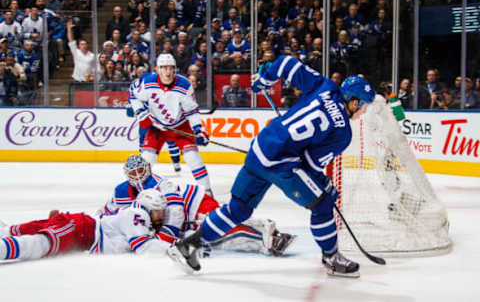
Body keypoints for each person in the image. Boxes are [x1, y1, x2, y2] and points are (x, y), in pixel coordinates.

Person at [167, 55, 375, 278]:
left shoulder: (325, 86)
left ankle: (188, 246)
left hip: (260, 147)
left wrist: (265, 79)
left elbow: (286, 63)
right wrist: (325, 185)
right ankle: (332, 258)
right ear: (354, 102)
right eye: (363, 107)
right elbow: (311, 164)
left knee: (238, 209)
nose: (363, 112)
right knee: (323, 204)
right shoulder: (343, 133)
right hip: (280, 163)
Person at [98, 154, 295, 256]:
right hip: (188, 219)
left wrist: (165, 237)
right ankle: (262, 232)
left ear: (148, 168)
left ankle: (265, 232)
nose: (137, 176)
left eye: (140, 170)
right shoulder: (121, 191)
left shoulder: (161, 184)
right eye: (132, 174)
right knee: (215, 237)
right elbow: (107, 211)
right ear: (127, 175)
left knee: (219, 226)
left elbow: (175, 212)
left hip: (195, 204)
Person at [0, 189, 171, 262]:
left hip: (79, 227)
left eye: (162, 212)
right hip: (81, 230)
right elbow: (143, 246)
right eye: (158, 211)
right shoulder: (138, 214)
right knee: (41, 244)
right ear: (147, 207)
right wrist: (174, 248)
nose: (160, 216)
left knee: (12, 230)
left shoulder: (134, 214)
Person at [129, 53, 214, 195]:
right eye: (164, 68)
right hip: (157, 128)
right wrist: (141, 113)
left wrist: (199, 130)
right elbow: (133, 94)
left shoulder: (184, 85)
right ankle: (138, 193)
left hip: (180, 126)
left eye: (170, 68)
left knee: (193, 158)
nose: (167, 72)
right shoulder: (148, 82)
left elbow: (192, 111)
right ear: (158, 69)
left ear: (174, 69)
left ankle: (207, 192)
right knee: (146, 161)